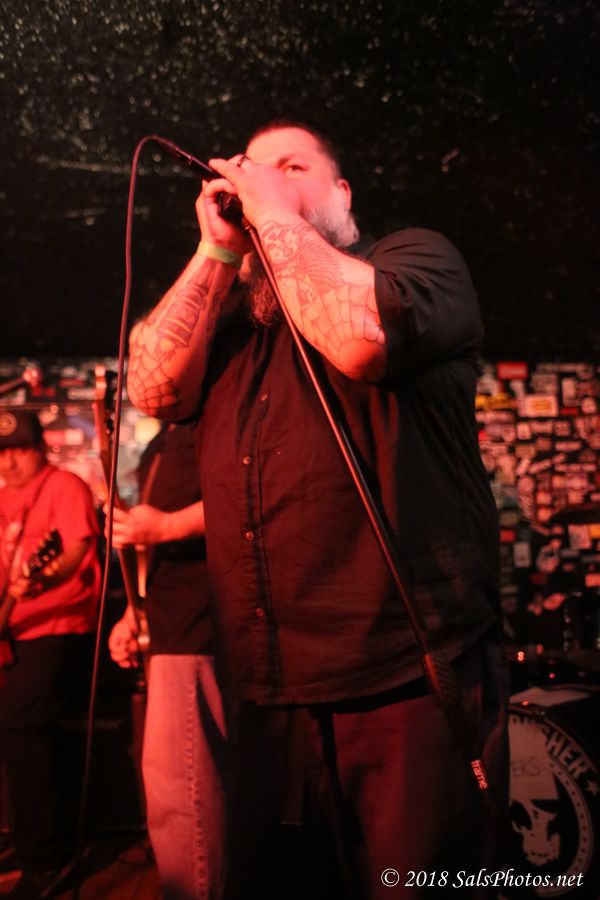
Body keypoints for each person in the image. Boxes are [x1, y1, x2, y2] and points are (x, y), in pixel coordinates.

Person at [126, 120, 508, 899]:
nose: (262, 178)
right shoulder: (232, 326)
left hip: (402, 681)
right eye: (252, 168)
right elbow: (152, 388)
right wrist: (215, 252)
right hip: (264, 691)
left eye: (293, 166)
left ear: (343, 193)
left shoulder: (415, 259)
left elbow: (359, 339)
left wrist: (273, 208)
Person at [108, 421, 228, 900]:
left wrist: (166, 526)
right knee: (170, 790)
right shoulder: (161, 442)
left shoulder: (213, 425)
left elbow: (249, 498)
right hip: (166, 627)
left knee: (183, 793)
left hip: (198, 627)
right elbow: (151, 551)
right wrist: (132, 613)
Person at [0, 409, 100, 900]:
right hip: (15, 631)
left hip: (60, 625)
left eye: (19, 449)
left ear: (40, 448)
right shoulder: (3, 498)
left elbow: (75, 553)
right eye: (2, 452)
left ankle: (46, 856)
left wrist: (41, 579)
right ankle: (26, 839)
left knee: (24, 726)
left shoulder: (65, 487)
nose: (9, 461)